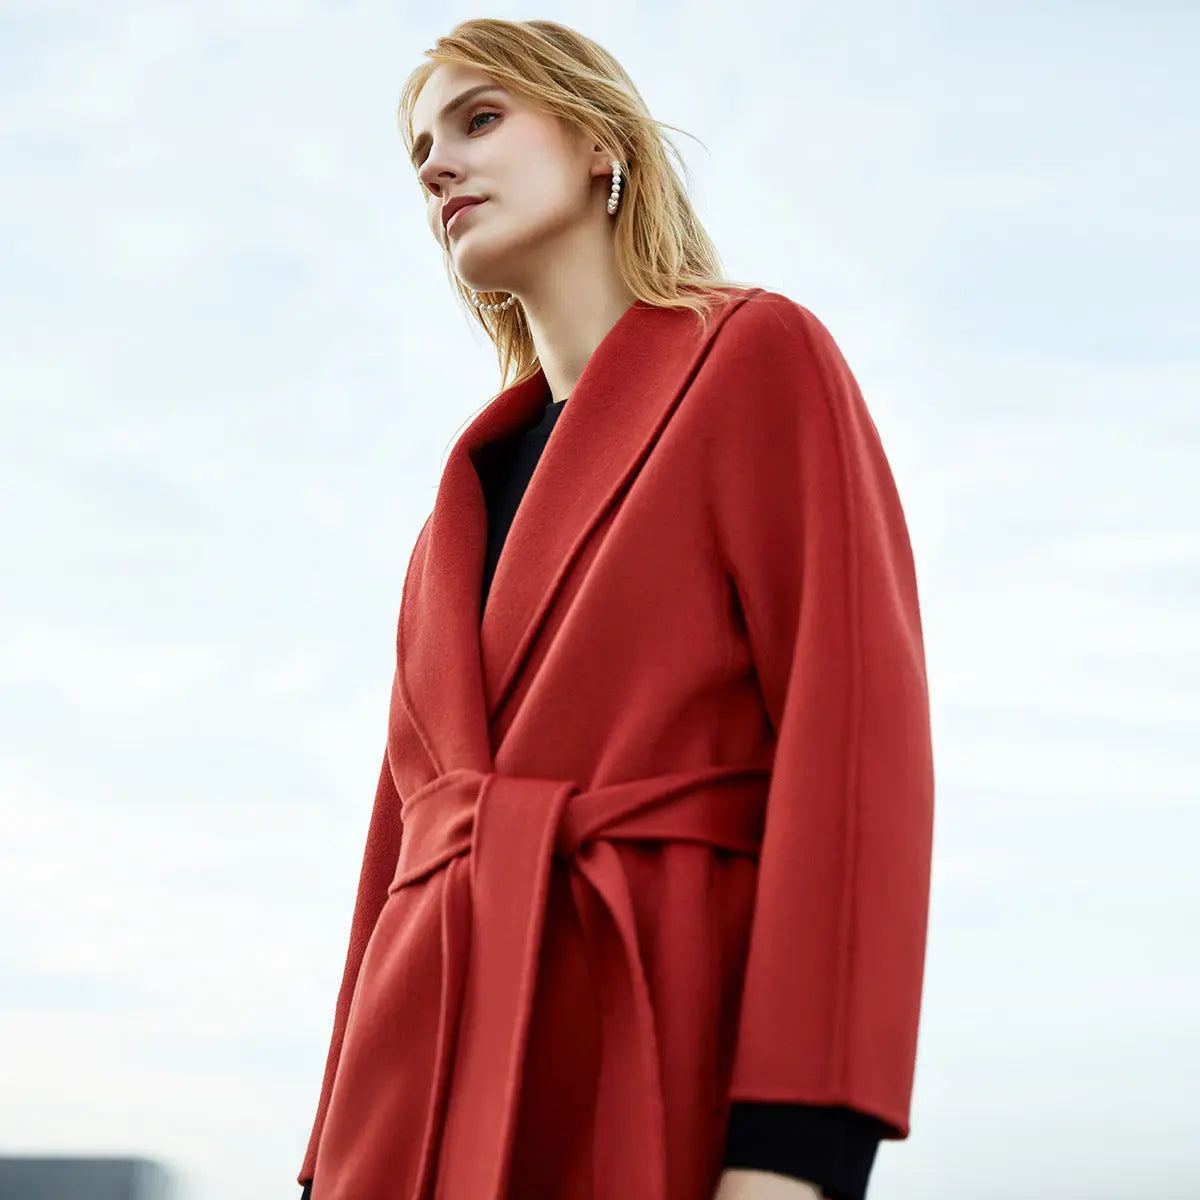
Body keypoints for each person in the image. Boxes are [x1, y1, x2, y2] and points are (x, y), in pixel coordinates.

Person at [296, 18, 934, 1200]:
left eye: (480, 119)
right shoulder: (455, 510)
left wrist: (802, 1145)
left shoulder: (757, 357)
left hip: (650, 1051)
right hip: (410, 1116)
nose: (437, 164)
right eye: (422, 149)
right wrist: (324, 1163)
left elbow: (855, 749)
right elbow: (395, 867)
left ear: (599, 143)